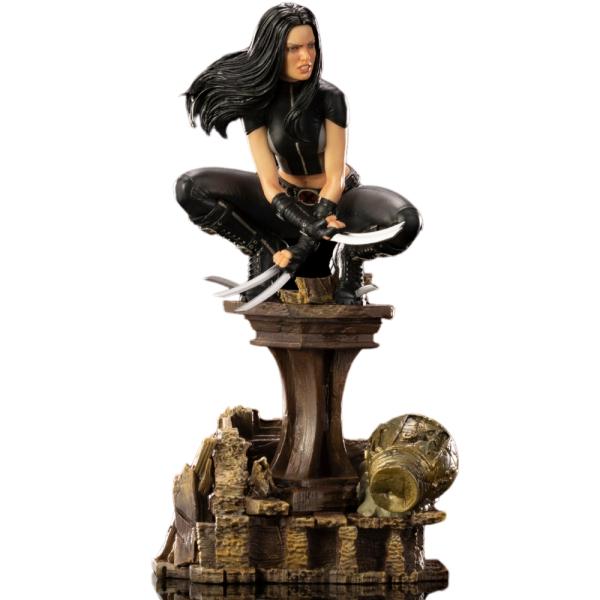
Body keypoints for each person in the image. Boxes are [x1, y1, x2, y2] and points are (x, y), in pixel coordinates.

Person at [175, 3, 421, 304]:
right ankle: (262, 247)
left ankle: (351, 259)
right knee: (190, 187)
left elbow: (335, 177)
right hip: (284, 201)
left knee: (407, 221)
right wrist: (304, 225)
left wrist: (305, 244)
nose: (306, 57)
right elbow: (268, 181)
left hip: (338, 201)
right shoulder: (256, 103)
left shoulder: (331, 97)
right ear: (273, 50)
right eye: (293, 48)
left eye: (311, 46)